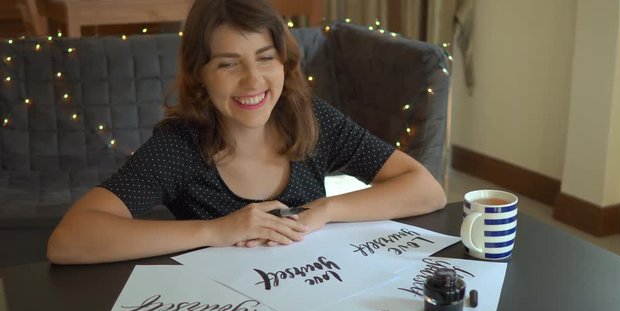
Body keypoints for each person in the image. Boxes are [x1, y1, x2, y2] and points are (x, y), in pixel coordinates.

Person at [47, 0, 446, 265]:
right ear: (200, 76)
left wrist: (324, 211)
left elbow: (426, 189)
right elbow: (68, 240)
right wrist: (217, 231)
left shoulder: (310, 119)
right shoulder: (180, 145)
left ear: (283, 64)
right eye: (227, 64)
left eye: (265, 58)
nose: (253, 80)